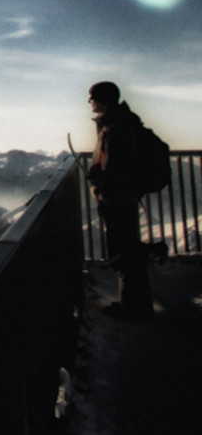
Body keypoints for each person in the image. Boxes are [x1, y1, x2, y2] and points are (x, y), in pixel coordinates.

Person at [86, 80, 154, 321]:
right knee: (128, 250)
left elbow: (115, 166)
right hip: (124, 196)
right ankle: (136, 304)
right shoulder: (121, 122)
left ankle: (135, 308)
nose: (89, 102)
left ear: (102, 100)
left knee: (124, 253)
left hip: (117, 198)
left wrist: (99, 180)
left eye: (92, 97)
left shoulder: (115, 127)